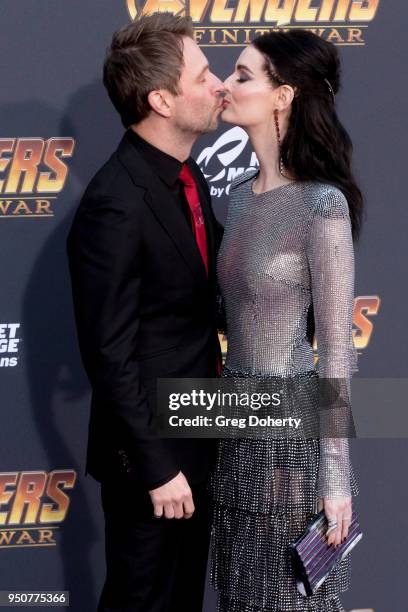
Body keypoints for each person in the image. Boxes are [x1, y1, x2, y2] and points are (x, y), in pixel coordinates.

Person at [66, 12, 225, 612]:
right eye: (204, 74)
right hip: (152, 461)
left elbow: (198, 302)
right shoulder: (115, 202)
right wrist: (157, 467)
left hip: (202, 431)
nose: (219, 86)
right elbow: (108, 354)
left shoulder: (191, 179)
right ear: (161, 99)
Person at [209, 30, 363, 612]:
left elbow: (338, 353)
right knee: (240, 597)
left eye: (244, 75)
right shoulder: (243, 198)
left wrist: (335, 477)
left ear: (283, 96)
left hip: (291, 443)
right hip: (234, 431)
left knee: (284, 602)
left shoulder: (322, 204)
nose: (226, 85)